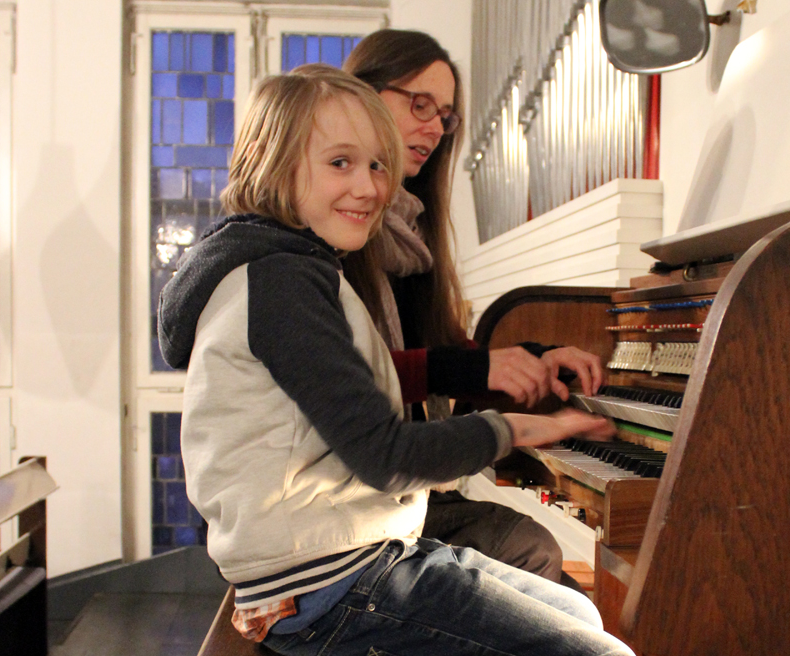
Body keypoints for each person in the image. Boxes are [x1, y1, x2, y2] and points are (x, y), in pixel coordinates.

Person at [156, 65, 633, 656]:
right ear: (271, 162)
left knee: (577, 610)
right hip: (323, 581)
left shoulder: (294, 267)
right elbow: (385, 456)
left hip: (349, 553)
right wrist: (519, 428)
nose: (369, 187)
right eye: (341, 163)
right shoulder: (281, 281)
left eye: (379, 165)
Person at [341, 29, 604, 591]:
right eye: (420, 105)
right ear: (361, 96)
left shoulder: (410, 231)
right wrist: (484, 374)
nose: (436, 128)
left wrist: (534, 359)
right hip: (347, 508)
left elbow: (440, 348)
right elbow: (353, 378)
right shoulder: (334, 231)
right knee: (539, 560)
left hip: (400, 495)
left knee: (564, 591)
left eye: (446, 116)